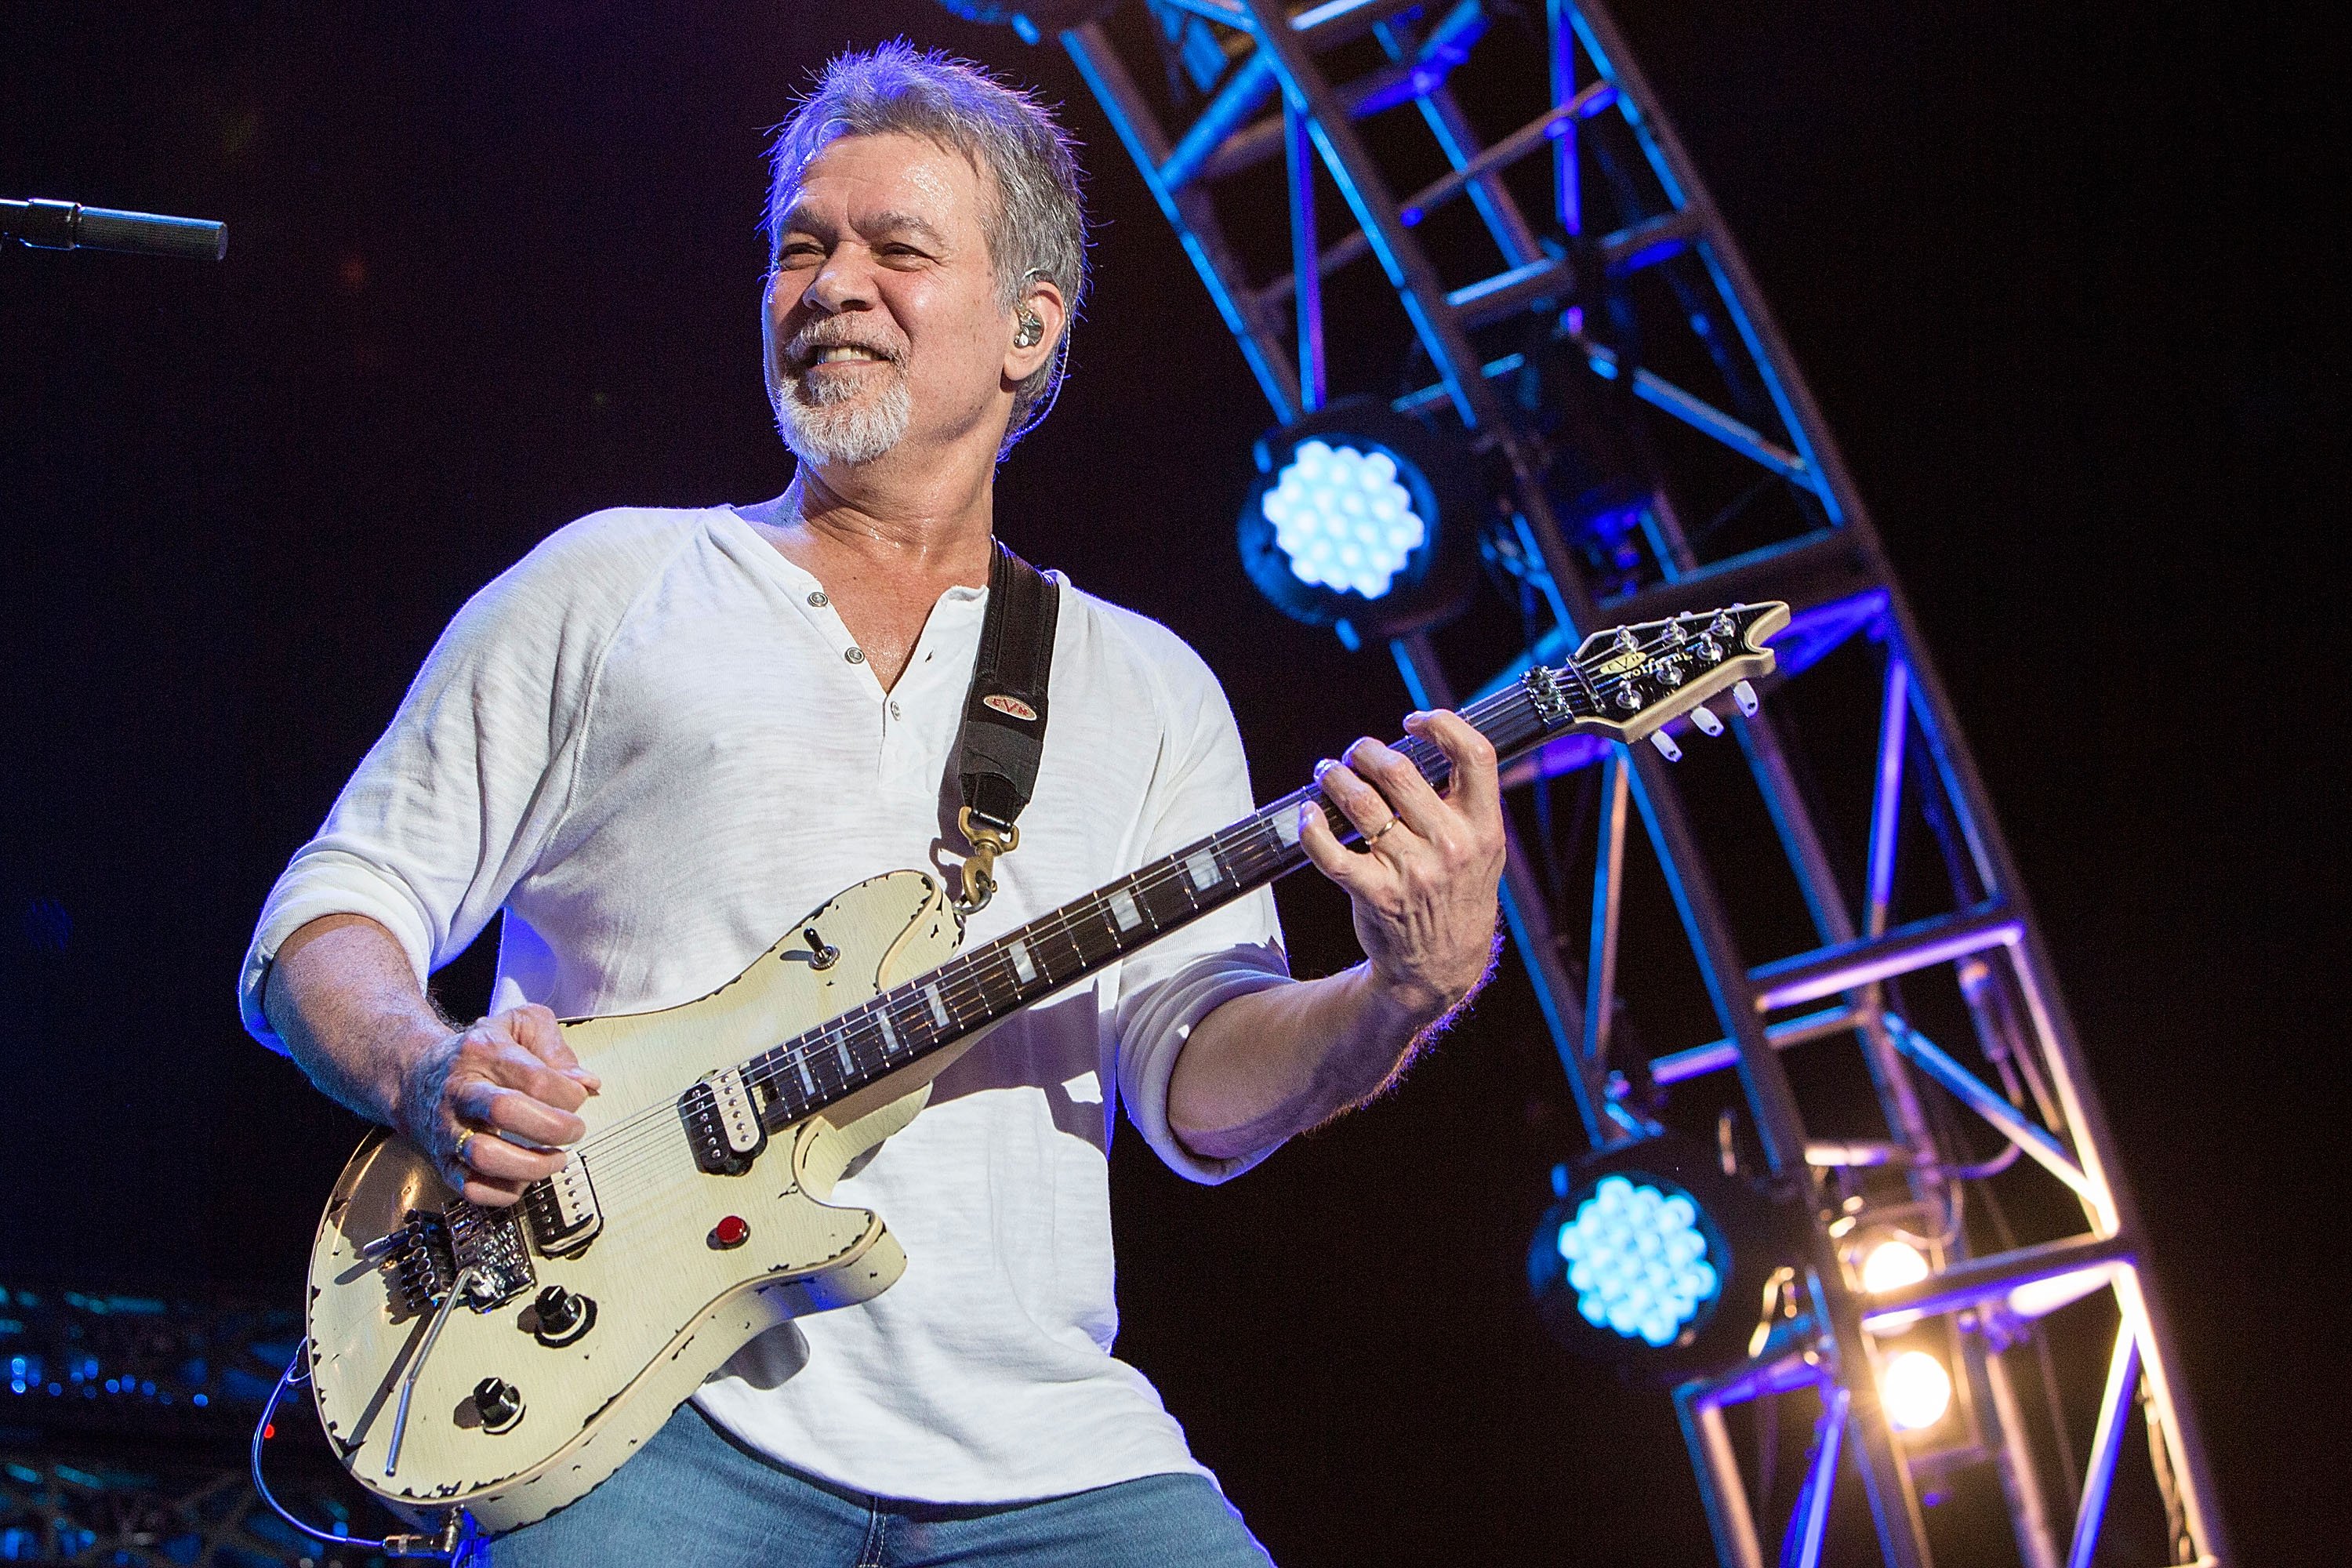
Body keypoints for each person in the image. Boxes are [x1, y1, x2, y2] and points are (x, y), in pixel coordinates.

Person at [242, 42, 1506, 1567]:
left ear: (1029, 329)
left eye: (897, 248)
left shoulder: (1151, 685)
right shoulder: (613, 582)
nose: (832, 282)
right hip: (646, 1423)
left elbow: (1196, 1085)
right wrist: (425, 1062)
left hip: (1054, 1456)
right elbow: (332, 912)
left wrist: (1400, 993)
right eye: (801, 247)